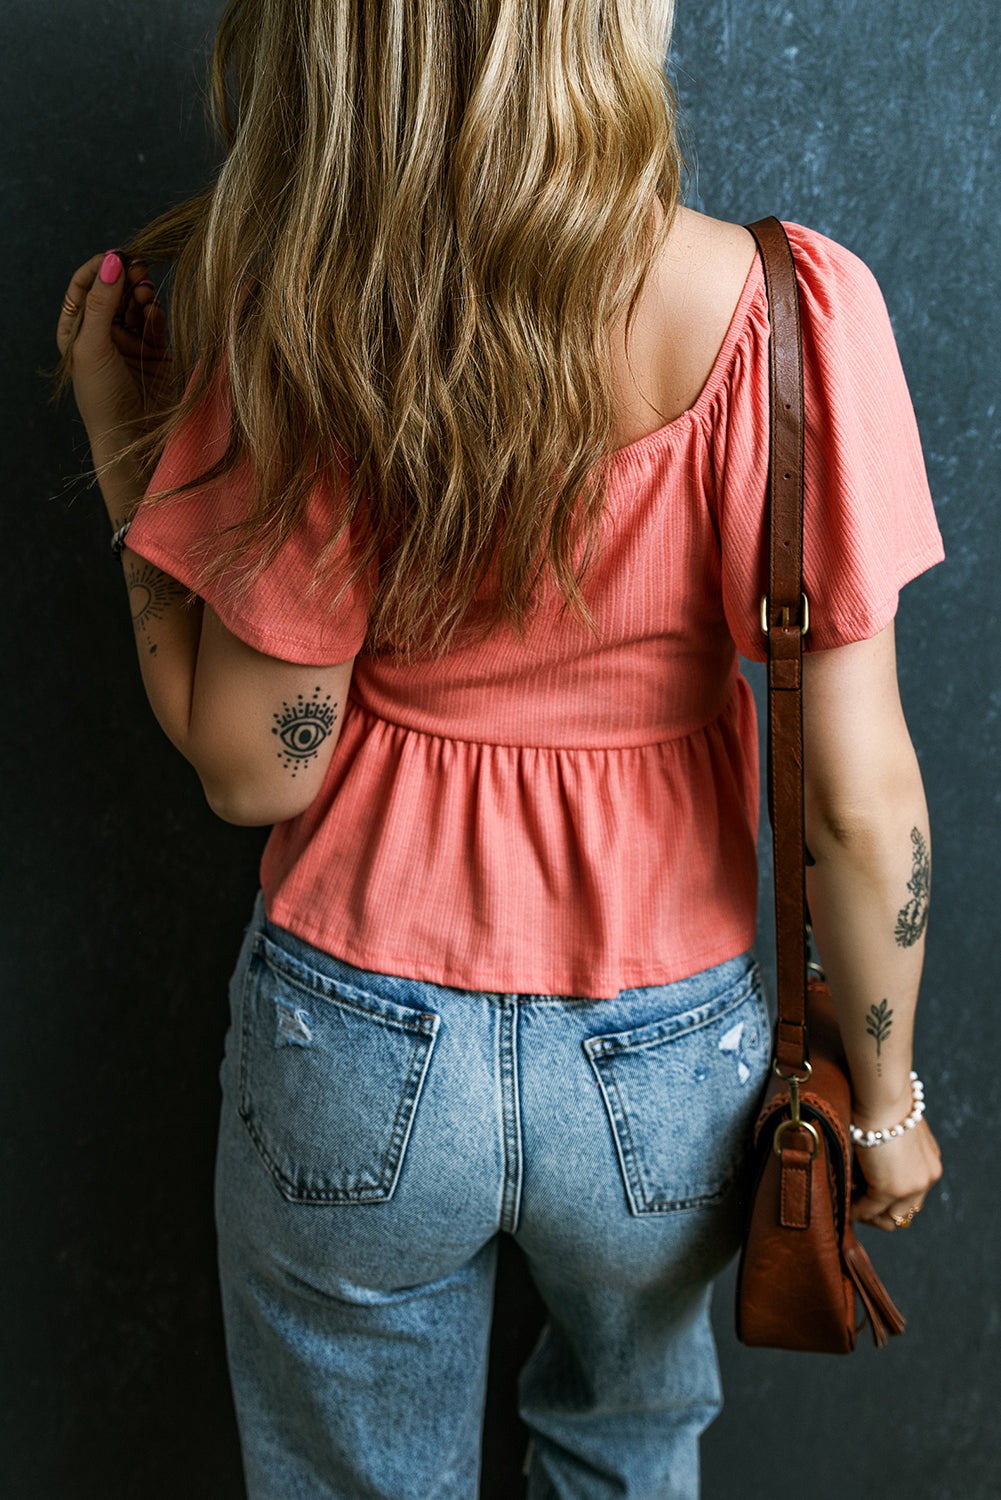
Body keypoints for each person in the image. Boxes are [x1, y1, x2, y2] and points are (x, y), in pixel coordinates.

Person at [53, 2, 944, 1495]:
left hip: (351, 1033)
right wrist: (892, 1104)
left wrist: (121, 452)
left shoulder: (298, 320)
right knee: (629, 1442)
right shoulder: (786, 317)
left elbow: (257, 765)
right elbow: (859, 808)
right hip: (667, 1061)